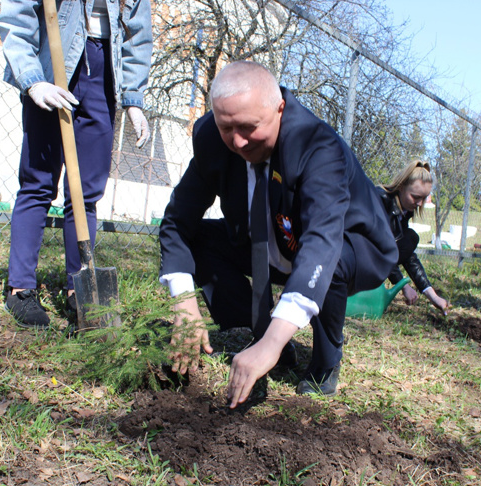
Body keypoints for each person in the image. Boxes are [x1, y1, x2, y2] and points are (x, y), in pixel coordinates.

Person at [159, 61, 398, 409]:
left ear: (279, 109)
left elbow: (321, 244)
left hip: (353, 248)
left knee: (333, 261)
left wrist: (269, 344)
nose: (237, 142)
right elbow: (177, 222)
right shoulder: (213, 139)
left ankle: (325, 361)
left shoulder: (317, 146)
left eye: (248, 127)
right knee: (201, 239)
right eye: (227, 127)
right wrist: (183, 304)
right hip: (270, 241)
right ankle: (260, 331)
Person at [0, 0, 153, 328]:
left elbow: (138, 34)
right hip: (54, 60)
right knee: (38, 182)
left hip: (104, 70)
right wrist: (32, 78)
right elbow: (17, 16)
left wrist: (133, 99)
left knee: (85, 193)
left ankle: (78, 290)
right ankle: (20, 288)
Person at [379, 160, 448, 314]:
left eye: (423, 198)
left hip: (375, 258)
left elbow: (407, 255)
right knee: (410, 238)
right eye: (415, 197)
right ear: (401, 187)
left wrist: (433, 296)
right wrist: (403, 286)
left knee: (410, 238)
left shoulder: (404, 210)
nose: (419, 203)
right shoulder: (381, 201)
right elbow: (379, 250)